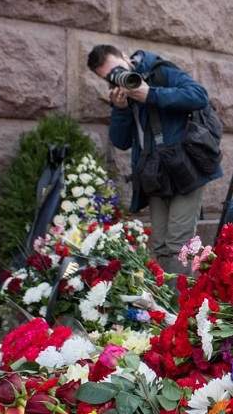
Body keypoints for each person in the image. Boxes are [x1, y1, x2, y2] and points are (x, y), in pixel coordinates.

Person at [87, 45, 221, 274]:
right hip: (155, 173)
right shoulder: (123, 94)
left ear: (125, 58)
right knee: (160, 245)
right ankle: (166, 304)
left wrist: (150, 94)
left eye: (117, 70)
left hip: (185, 169)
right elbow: (121, 142)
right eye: (109, 77)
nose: (117, 78)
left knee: (178, 244)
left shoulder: (159, 70)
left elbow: (199, 95)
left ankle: (179, 307)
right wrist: (120, 108)